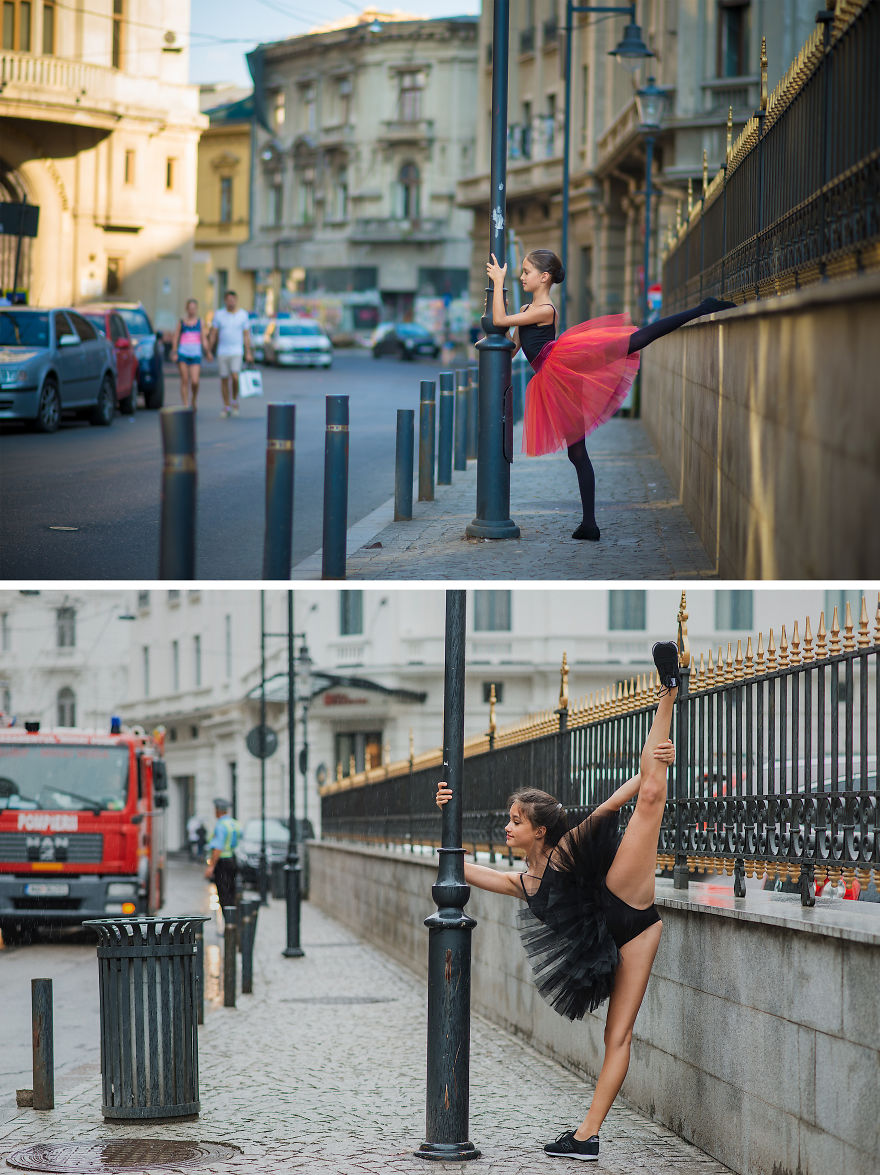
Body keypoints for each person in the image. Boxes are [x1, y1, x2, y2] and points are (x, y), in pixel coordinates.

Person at [435, 640, 681, 1163]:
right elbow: (458, 869)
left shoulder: (569, 846)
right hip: (614, 942)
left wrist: (655, 766)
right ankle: (586, 1139)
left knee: (651, 799)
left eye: (515, 822)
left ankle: (668, 692)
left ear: (539, 830)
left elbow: (622, 798)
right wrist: (445, 815)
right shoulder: (523, 882)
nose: (506, 828)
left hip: (627, 909)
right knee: (616, 1036)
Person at [486, 250, 735, 542]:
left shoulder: (546, 310)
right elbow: (511, 347)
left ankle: (702, 308)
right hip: (557, 378)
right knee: (576, 453)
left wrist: (499, 284)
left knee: (635, 340)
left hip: (567, 362)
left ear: (544, 277)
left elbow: (499, 320)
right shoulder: (527, 308)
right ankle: (589, 525)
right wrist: (499, 323)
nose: (521, 276)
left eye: (526, 271)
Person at [209, 291, 253, 418]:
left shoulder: (243, 315)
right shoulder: (219, 315)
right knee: (224, 378)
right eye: (228, 300)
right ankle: (226, 405)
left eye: (233, 300)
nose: (231, 302)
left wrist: (248, 352)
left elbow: (246, 335)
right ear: (225, 301)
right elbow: (213, 333)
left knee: (235, 376)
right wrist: (209, 350)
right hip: (222, 351)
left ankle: (234, 400)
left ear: (236, 300)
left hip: (237, 351)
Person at [171, 299, 212, 409]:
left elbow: (203, 338)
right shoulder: (181, 322)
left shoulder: (200, 322)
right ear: (187, 309)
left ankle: (193, 399)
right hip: (183, 354)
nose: (192, 311)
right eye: (190, 308)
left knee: (195, 381)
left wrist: (208, 352)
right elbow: (176, 337)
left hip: (195, 354)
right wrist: (174, 352)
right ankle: (185, 405)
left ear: (196, 309)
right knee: (184, 379)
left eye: (194, 308)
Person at [204, 797, 242, 914]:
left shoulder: (221, 825)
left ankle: (228, 920)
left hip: (222, 862)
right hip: (232, 859)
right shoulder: (234, 823)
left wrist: (211, 866)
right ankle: (233, 918)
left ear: (218, 810)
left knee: (223, 893)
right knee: (231, 892)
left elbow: (218, 848)